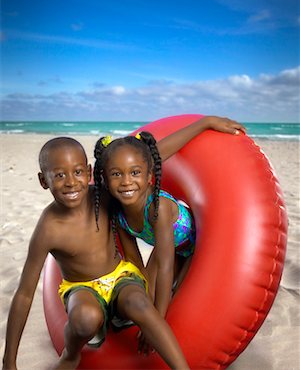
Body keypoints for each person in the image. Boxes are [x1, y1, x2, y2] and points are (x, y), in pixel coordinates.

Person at [2, 115, 244, 370]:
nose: (71, 182)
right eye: (59, 175)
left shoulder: (103, 194)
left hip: (121, 277)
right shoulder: (48, 228)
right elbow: (24, 294)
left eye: (77, 172)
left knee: (140, 303)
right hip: (82, 287)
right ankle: (72, 353)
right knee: (86, 318)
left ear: (88, 172)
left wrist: (203, 124)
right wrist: (9, 362)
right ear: (44, 181)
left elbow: (151, 157)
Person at [93, 116, 246, 351]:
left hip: (196, 248)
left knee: (176, 299)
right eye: (116, 174)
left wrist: (156, 323)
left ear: (149, 176)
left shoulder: (158, 208)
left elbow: (164, 267)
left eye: (134, 173)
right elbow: (135, 263)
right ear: (105, 176)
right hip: (169, 248)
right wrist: (144, 303)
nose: (126, 182)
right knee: (146, 295)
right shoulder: (118, 213)